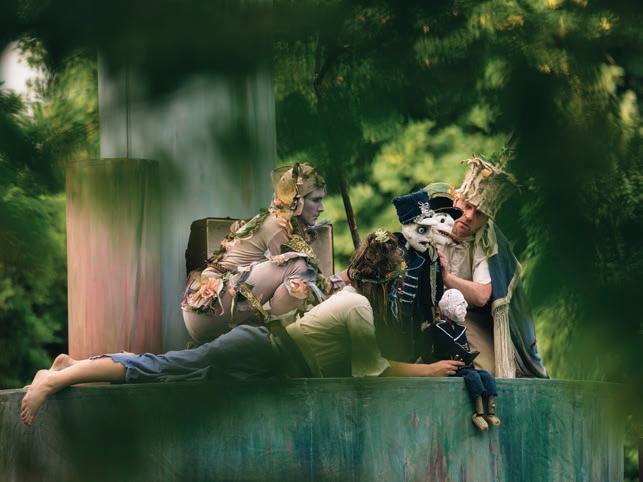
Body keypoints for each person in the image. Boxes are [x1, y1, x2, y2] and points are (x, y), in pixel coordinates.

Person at [20, 231, 464, 426]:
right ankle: (55, 379)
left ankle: (73, 365)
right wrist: (429, 370)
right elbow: (375, 371)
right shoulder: (357, 306)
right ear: (384, 283)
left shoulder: (352, 301)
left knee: (170, 374)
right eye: (397, 283)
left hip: (267, 366)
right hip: (261, 351)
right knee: (164, 368)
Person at [182, 162, 343, 342]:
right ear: (296, 201)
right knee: (297, 264)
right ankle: (281, 338)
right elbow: (314, 281)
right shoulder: (276, 226)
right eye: (316, 200)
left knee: (298, 271)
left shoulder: (278, 221)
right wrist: (346, 277)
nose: (322, 208)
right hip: (208, 313)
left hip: (209, 312)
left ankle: (278, 333)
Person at [433, 157, 547, 378]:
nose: (469, 216)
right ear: (456, 200)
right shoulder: (431, 221)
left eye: (479, 213)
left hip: (467, 317)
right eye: (467, 206)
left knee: (486, 370)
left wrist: (447, 278)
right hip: (424, 311)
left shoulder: (487, 240)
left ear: (487, 219)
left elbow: (481, 296)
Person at [378, 189, 462, 363]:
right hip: (396, 316)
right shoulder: (394, 252)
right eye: (423, 229)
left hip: (421, 314)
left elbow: (431, 287)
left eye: (430, 229)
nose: (429, 236)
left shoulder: (429, 255)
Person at [428, 288, 500, 431]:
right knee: (473, 377)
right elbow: (428, 353)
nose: (463, 309)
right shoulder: (436, 328)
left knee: (486, 376)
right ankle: (478, 414)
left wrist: (468, 357)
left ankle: (491, 412)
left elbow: (465, 347)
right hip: (451, 368)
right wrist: (436, 364)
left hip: (465, 365)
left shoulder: (461, 329)